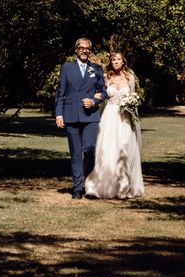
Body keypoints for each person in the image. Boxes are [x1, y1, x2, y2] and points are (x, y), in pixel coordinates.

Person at [84, 52, 144, 199]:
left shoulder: (130, 77)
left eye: (118, 59)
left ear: (123, 62)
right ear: (111, 62)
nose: (116, 62)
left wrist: (131, 106)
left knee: (123, 147)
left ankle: (124, 187)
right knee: (106, 148)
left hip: (124, 118)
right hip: (109, 116)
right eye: (113, 60)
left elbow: (133, 96)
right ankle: (98, 185)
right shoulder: (106, 78)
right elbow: (102, 96)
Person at [55, 38, 107, 199]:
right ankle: (77, 187)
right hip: (70, 115)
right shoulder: (67, 67)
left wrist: (94, 101)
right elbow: (60, 93)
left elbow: (103, 92)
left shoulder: (96, 69)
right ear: (76, 49)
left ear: (90, 51)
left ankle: (86, 181)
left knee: (90, 150)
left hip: (90, 116)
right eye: (81, 48)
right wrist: (59, 114)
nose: (84, 50)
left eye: (87, 48)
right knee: (76, 153)